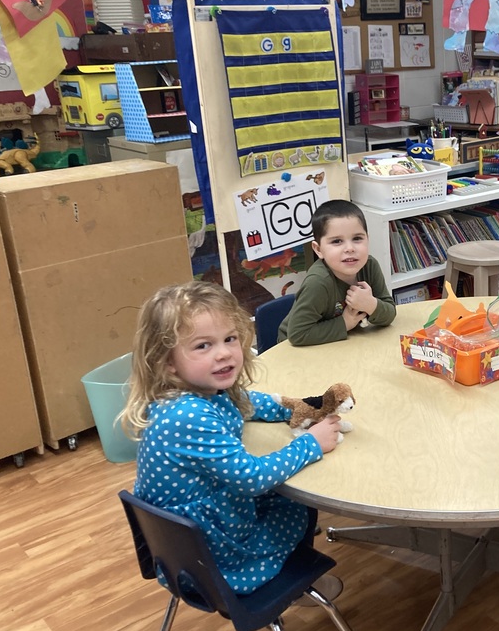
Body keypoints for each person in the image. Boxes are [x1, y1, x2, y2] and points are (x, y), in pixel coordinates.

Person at [124, 281, 345, 598]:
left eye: (229, 339)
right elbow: (252, 478)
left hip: (193, 538)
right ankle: (295, 586)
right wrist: (311, 443)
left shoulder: (197, 390)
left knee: (291, 493)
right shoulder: (187, 416)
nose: (224, 353)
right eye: (203, 346)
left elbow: (246, 401)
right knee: (300, 503)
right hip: (214, 558)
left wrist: (296, 407)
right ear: (168, 362)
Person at [278, 199, 396, 346]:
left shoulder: (370, 266)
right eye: (337, 241)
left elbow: (390, 313)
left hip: (340, 343)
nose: (350, 248)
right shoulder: (318, 282)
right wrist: (345, 323)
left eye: (357, 238)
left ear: (368, 239)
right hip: (295, 349)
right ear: (318, 250)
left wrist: (371, 305)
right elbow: (297, 334)